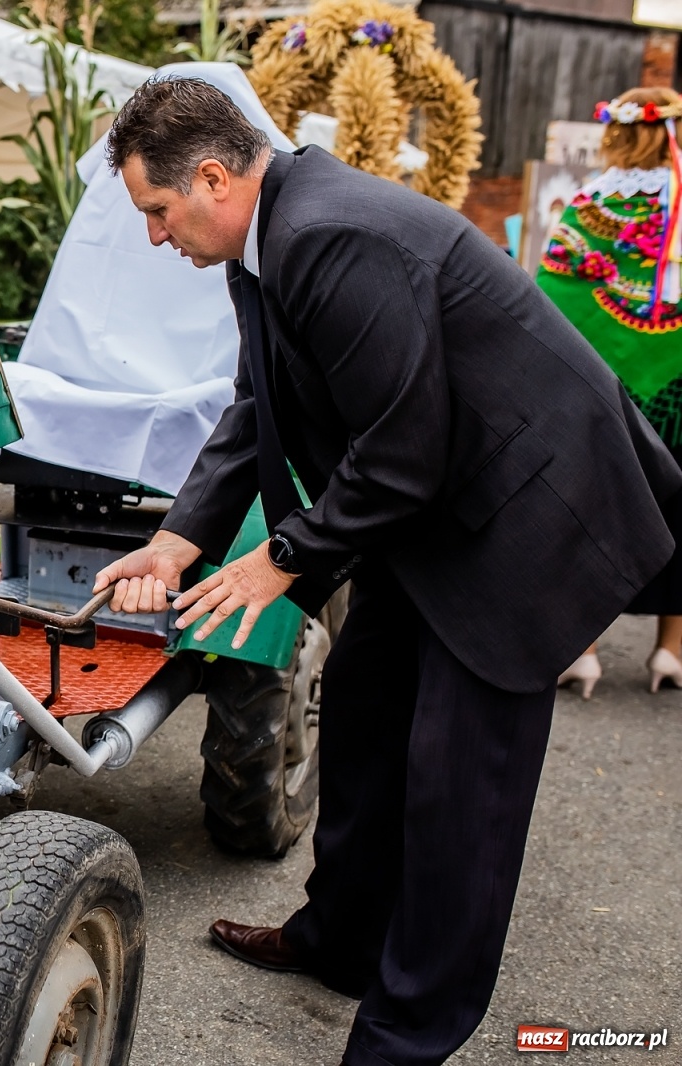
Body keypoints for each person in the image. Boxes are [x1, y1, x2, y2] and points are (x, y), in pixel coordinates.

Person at [91, 76, 681, 1066]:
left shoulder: (333, 235)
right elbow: (254, 411)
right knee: (365, 716)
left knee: (460, 794)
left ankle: (404, 1036)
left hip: (523, 513)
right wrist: (178, 539)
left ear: (207, 177)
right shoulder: (262, 245)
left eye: (155, 211)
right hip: (441, 506)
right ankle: (341, 941)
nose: (156, 235)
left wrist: (280, 558)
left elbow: (401, 452)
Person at [536, 87, 682, 698]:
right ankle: (671, 651)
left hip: (608, 392)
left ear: (616, 137)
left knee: (598, 500)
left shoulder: (591, 206)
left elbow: (552, 292)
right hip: (677, 391)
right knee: (679, 498)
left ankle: (586, 649)